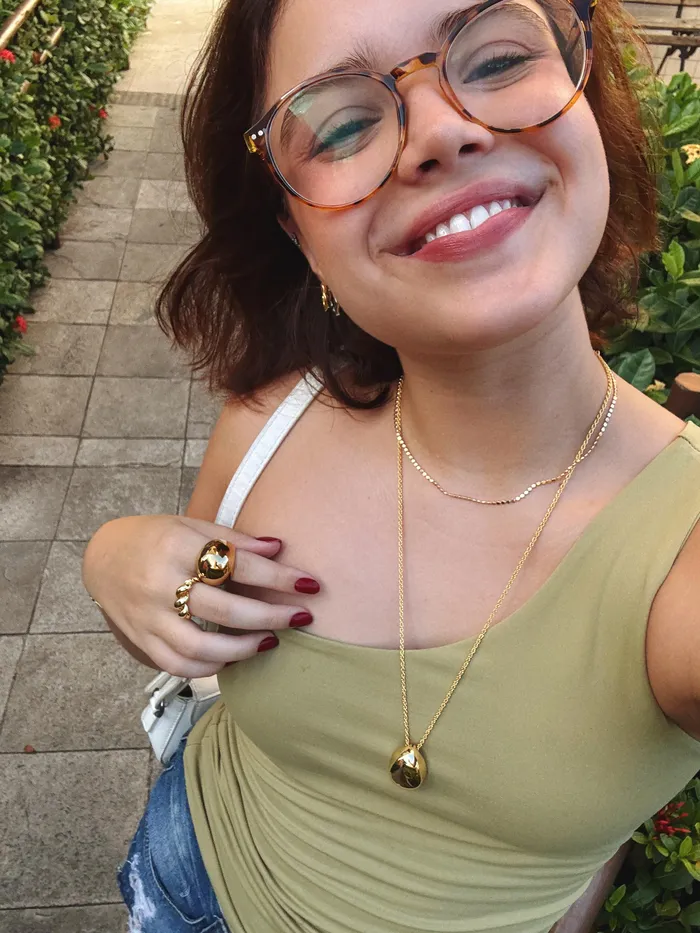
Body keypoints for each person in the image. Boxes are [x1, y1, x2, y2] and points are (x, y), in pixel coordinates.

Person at [82, 0, 700, 928]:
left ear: (587, 100)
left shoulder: (681, 548)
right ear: (299, 232)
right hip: (180, 869)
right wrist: (114, 560)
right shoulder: (272, 419)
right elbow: (180, 628)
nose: (441, 133)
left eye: (496, 60)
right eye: (342, 126)